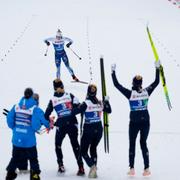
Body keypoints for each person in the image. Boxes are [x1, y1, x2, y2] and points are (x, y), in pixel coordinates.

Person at [111, 61, 161, 176]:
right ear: (141, 83)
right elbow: (156, 82)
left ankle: (132, 168)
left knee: (133, 143)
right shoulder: (146, 91)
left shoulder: (130, 93)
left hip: (134, 123)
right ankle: (146, 168)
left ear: (133, 83)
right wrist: (157, 68)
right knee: (143, 143)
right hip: (145, 122)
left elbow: (117, 85)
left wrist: (112, 72)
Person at [5, 88, 52, 180]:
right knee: (33, 159)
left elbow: (9, 120)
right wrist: (49, 125)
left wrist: (15, 128)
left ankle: (9, 175)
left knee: (15, 158)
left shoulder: (16, 107)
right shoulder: (35, 109)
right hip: (29, 141)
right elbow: (41, 123)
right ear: (32, 96)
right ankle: (34, 175)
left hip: (17, 139)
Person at [44, 78, 85, 176]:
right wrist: (51, 120)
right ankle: (61, 165)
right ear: (56, 88)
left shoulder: (61, 97)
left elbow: (79, 107)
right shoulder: (63, 97)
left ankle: (80, 167)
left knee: (74, 145)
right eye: (60, 87)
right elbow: (46, 115)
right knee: (59, 145)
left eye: (61, 87)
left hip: (67, 124)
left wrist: (50, 120)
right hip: (65, 124)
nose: (61, 89)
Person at [72, 84, 112, 178]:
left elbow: (74, 112)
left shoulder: (86, 103)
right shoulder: (100, 103)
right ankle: (93, 170)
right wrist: (106, 101)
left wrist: (77, 104)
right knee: (93, 148)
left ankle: (92, 166)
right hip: (98, 129)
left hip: (89, 129)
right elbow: (109, 110)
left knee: (83, 151)